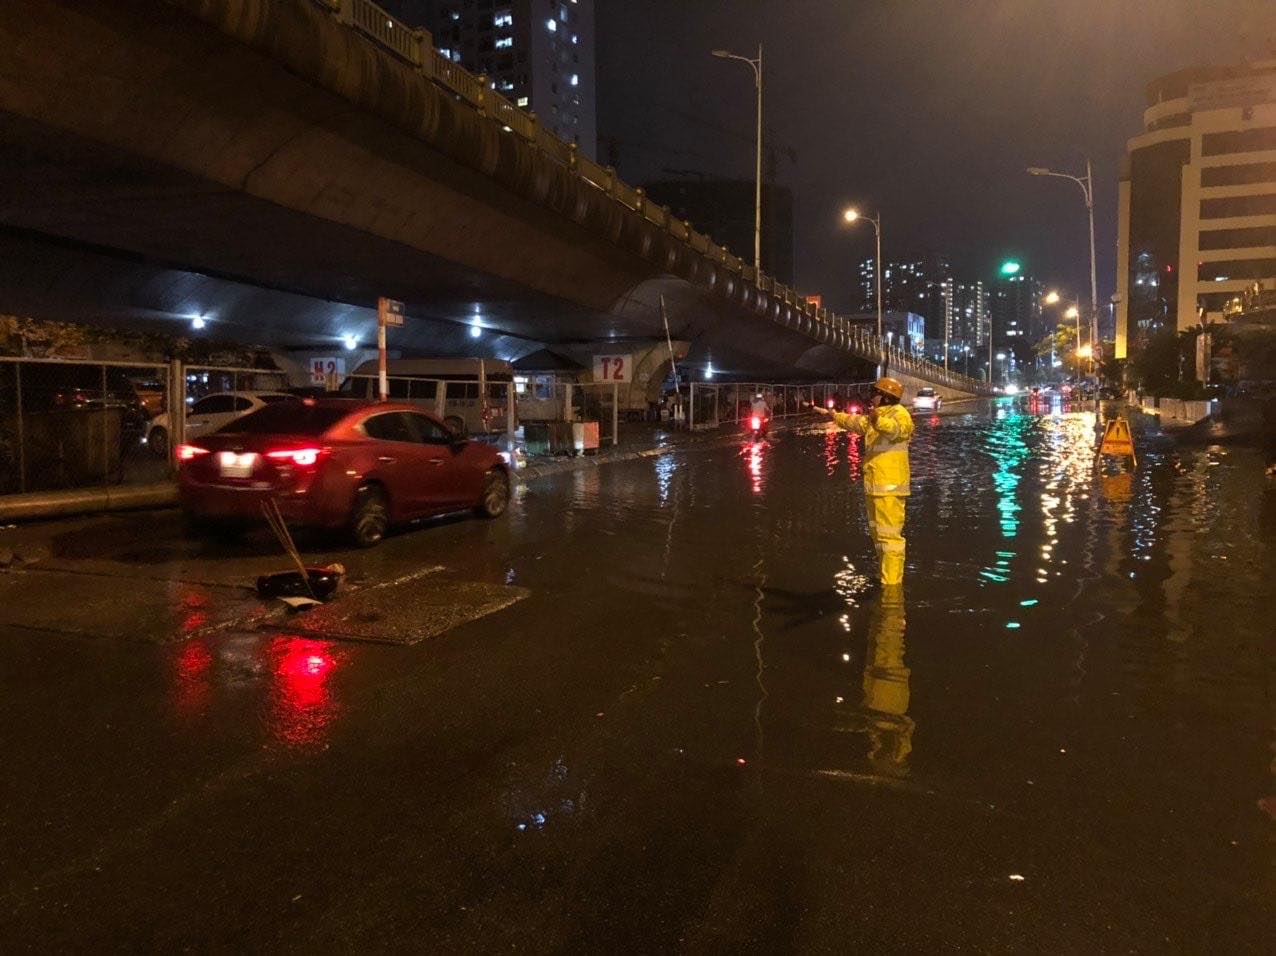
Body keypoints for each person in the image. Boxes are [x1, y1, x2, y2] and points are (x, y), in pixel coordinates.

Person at [812, 377, 914, 586]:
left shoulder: (899, 413)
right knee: (879, 538)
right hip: (875, 487)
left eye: (875, 394)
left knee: (889, 540)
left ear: (886, 397)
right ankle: (885, 578)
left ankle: (892, 588)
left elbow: (896, 429)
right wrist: (834, 415)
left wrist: (877, 420)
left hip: (889, 489)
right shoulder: (876, 416)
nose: (871, 398)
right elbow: (855, 422)